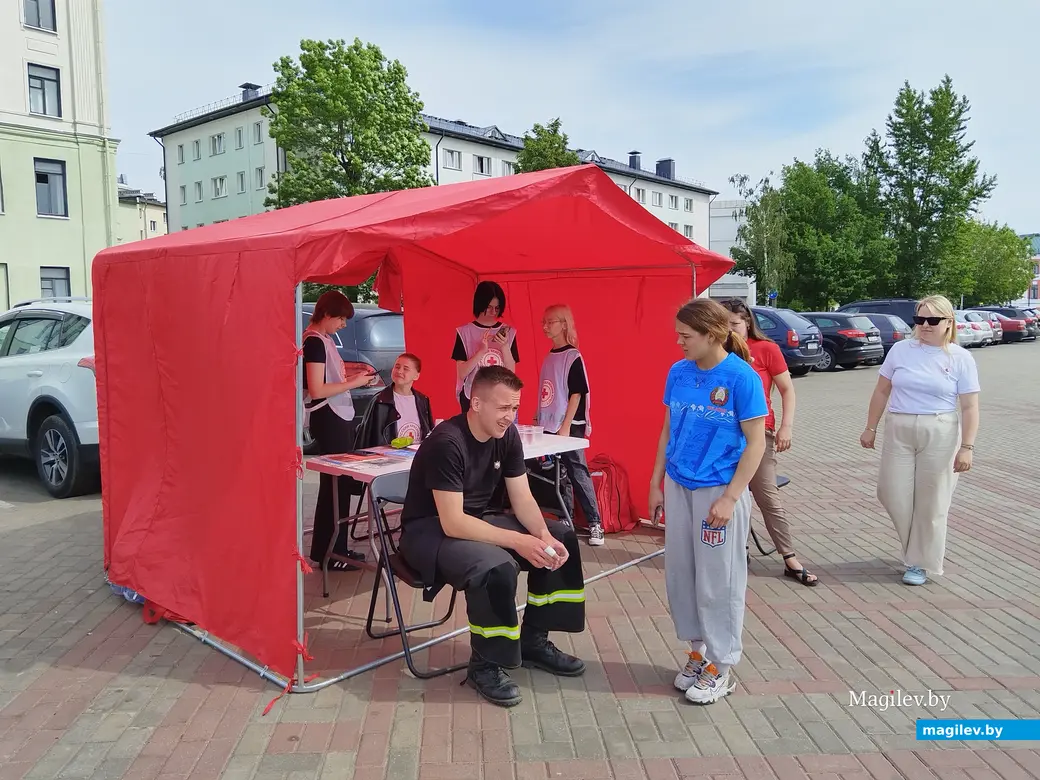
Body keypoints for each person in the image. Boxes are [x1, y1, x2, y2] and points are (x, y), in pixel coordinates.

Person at [397, 366, 586, 708]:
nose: (509, 417)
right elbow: (453, 523)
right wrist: (518, 541)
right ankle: (485, 664)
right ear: (476, 403)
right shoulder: (447, 443)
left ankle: (533, 640)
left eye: (514, 408)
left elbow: (523, 498)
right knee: (495, 565)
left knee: (561, 535)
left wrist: (541, 535)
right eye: (503, 408)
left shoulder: (508, 436)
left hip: (475, 522)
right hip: (429, 532)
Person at [648, 298, 767, 705]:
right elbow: (667, 431)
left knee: (719, 579)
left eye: (686, 336)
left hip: (718, 491)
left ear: (713, 334)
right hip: (680, 486)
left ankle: (723, 664)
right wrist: (655, 482)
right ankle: (698, 653)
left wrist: (731, 497)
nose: (678, 342)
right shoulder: (677, 373)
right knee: (682, 574)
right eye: (677, 335)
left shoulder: (741, 378)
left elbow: (756, 444)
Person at [860, 294, 980, 586]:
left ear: (948, 322)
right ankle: (915, 549)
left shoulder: (960, 357)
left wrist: (967, 447)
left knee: (932, 501)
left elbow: (969, 406)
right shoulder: (901, 350)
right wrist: (870, 427)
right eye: (920, 319)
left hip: (940, 428)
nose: (925, 325)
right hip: (899, 426)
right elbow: (881, 391)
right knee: (891, 492)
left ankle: (919, 562)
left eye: (933, 320)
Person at [719, 299, 815, 586]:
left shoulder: (766, 350)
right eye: (723, 326)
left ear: (747, 322)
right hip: (723, 434)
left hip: (759, 433)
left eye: (734, 324)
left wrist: (786, 427)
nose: (729, 331)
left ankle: (789, 556)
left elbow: (787, 389)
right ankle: (738, 550)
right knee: (729, 493)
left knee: (765, 495)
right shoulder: (717, 352)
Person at [303, 290, 380, 570]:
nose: (343, 325)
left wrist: (354, 379)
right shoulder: (313, 342)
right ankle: (333, 552)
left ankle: (332, 549)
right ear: (326, 314)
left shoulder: (322, 340)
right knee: (336, 485)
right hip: (328, 417)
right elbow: (317, 389)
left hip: (336, 415)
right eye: (341, 320)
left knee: (337, 485)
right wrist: (354, 383)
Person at [536, 305, 605, 546]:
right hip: (549, 424)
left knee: (577, 471)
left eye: (550, 321)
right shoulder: (549, 356)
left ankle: (596, 522)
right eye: (544, 322)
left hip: (569, 425)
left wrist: (565, 426)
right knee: (559, 473)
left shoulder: (572, 356)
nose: (545, 326)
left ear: (564, 324)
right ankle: (566, 517)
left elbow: (577, 393)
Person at [452, 281, 519, 413]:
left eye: (497, 308)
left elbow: (511, 372)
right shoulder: (464, 332)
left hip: (501, 396)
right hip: (472, 395)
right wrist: (481, 351)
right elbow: (462, 373)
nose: (493, 311)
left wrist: (504, 346)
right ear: (479, 304)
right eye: (488, 307)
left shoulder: (509, 332)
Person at [354, 353, 434, 449]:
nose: (399, 371)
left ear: (416, 376)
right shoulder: (380, 401)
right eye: (397, 367)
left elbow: (429, 432)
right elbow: (366, 438)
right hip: (389, 459)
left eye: (406, 369)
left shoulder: (423, 400)